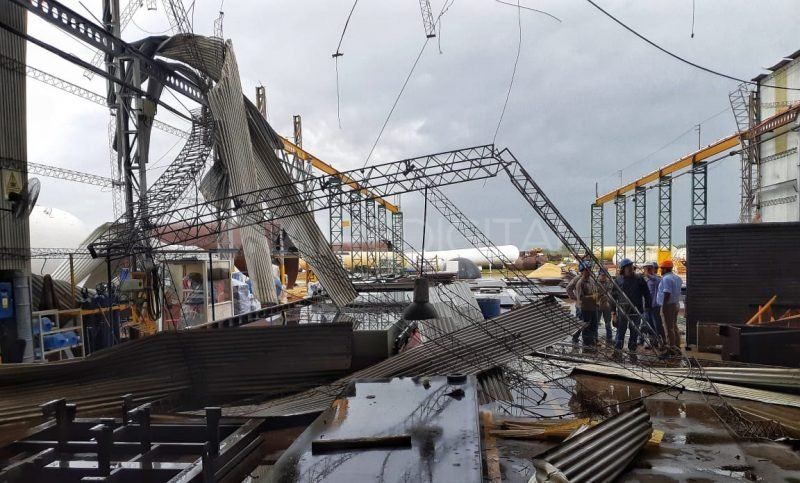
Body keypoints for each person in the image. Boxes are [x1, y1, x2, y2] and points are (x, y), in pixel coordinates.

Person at [614, 258, 651, 352]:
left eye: (631, 266)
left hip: (636, 310)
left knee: (634, 331)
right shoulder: (618, 280)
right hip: (623, 311)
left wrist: (647, 306)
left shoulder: (639, 279)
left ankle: (632, 349)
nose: (630, 268)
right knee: (621, 330)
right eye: (628, 267)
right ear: (623, 269)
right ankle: (618, 349)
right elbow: (613, 297)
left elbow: (647, 294)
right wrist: (613, 312)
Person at [565, 261, 600, 347]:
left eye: (589, 269)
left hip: (591, 306)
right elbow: (569, 288)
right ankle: (576, 339)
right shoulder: (578, 280)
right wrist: (574, 297)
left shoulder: (591, 279)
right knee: (581, 324)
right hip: (582, 307)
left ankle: (593, 340)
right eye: (587, 270)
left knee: (592, 324)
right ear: (582, 270)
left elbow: (595, 291)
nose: (589, 271)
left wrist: (596, 301)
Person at [658, 259, 682, 353]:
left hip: (668, 306)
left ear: (665, 269)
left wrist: (664, 307)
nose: (660, 270)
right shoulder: (677, 278)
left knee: (668, 328)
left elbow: (667, 293)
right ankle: (676, 345)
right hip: (675, 304)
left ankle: (670, 348)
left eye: (661, 268)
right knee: (674, 326)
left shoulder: (666, 279)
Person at [643, 261, 665, 345]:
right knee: (649, 325)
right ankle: (653, 342)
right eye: (646, 268)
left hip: (655, 306)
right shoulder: (646, 279)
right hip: (647, 306)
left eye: (649, 268)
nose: (647, 270)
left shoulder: (658, 279)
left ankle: (662, 342)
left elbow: (656, 280)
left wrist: (648, 274)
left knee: (657, 325)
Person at [597, 269, 615, 342]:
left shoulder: (609, 282)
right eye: (602, 275)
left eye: (605, 275)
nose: (604, 277)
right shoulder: (595, 282)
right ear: (599, 275)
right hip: (597, 306)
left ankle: (609, 337)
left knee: (608, 322)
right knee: (596, 322)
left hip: (607, 306)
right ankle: (595, 338)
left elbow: (610, 293)